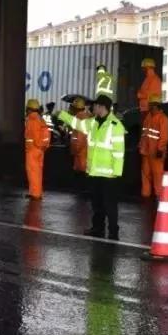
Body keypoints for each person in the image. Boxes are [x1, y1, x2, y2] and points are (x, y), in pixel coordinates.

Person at [58, 95, 126, 240]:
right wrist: (62, 115)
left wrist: (117, 173)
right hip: (94, 172)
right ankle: (97, 228)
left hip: (110, 175)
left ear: (102, 107)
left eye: (95, 106)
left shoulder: (115, 126)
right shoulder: (93, 123)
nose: (92, 108)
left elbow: (119, 153)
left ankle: (113, 231)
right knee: (97, 204)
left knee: (110, 205)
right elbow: (77, 124)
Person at [138, 94, 168, 199]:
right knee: (145, 173)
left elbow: (164, 136)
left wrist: (160, 149)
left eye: (153, 105)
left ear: (158, 106)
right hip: (146, 150)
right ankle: (145, 194)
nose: (151, 107)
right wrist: (141, 144)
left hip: (156, 151)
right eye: (150, 104)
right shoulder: (148, 117)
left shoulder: (163, 119)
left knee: (157, 174)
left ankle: (158, 195)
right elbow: (144, 133)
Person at [24, 98, 50, 199]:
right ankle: (36, 192)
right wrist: (41, 146)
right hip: (40, 150)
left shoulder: (31, 119)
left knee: (32, 171)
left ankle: (34, 194)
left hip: (33, 149)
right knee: (38, 172)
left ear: (29, 109)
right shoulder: (40, 118)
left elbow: (33, 135)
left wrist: (36, 145)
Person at [67, 97, 90, 175]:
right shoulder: (88, 116)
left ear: (75, 109)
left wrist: (73, 150)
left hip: (80, 156)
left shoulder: (78, 118)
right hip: (87, 154)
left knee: (80, 179)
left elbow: (78, 140)